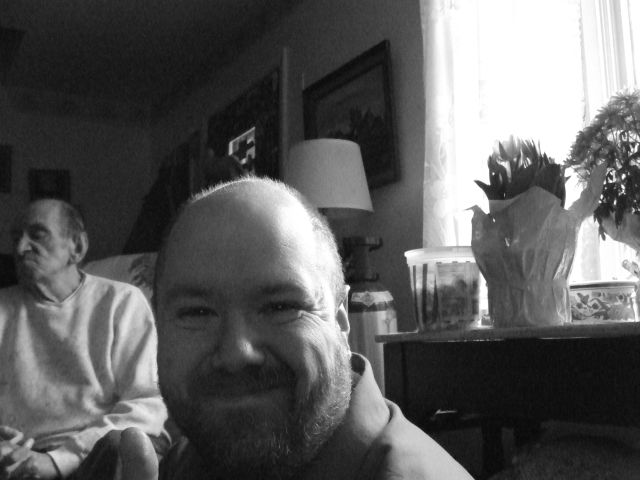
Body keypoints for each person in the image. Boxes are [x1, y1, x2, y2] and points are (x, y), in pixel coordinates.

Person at [114, 177, 473, 480]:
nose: (236, 353)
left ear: (341, 318)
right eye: (196, 312)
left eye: (280, 306)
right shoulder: (177, 465)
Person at [0, 198, 168, 479]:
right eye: (16, 238)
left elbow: (147, 403)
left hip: (102, 448)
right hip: (24, 457)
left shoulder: (120, 302)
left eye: (37, 235)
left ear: (77, 247)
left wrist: (58, 461)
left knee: (122, 447)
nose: (20, 248)